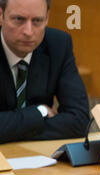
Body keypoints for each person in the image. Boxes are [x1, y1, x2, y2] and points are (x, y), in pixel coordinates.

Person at [0, 0, 89, 144]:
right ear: (1, 15)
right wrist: (39, 113)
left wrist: (10, 129)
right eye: (19, 19)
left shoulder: (59, 44)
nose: (28, 31)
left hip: (41, 157)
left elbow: (79, 120)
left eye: (37, 21)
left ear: (47, 18)